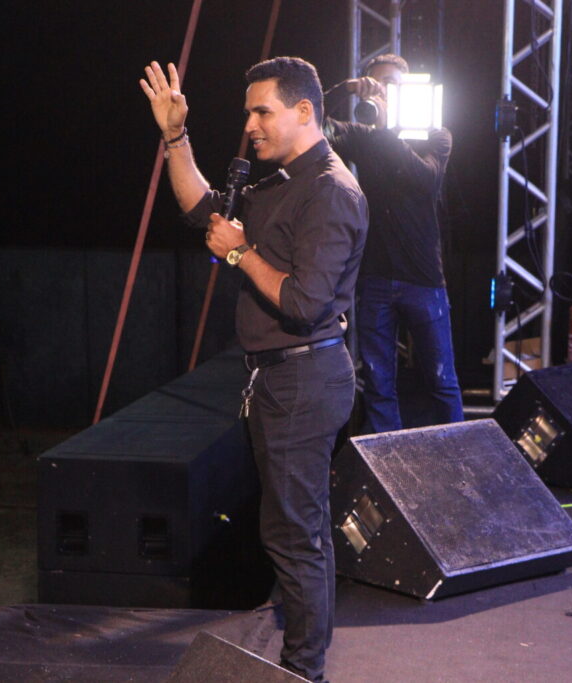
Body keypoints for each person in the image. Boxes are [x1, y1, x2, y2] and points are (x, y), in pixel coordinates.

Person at [140, 56, 368, 682]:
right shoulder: (285, 182)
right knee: (294, 530)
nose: (250, 125)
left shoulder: (330, 190)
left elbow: (305, 302)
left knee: (295, 536)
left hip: (304, 379)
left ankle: (303, 671)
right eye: (248, 112)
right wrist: (175, 136)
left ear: (304, 110)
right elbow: (204, 211)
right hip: (280, 378)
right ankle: (298, 655)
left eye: (262, 111)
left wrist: (240, 253)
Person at [322, 54, 463, 432]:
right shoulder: (364, 135)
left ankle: (457, 456)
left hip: (423, 278)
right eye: (377, 84)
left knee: (441, 380)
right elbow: (313, 125)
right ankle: (387, 459)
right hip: (376, 276)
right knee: (378, 382)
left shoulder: (435, 135)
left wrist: (386, 131)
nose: (384, 92)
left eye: (392, 85)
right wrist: (345, 89)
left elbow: (425, 180)